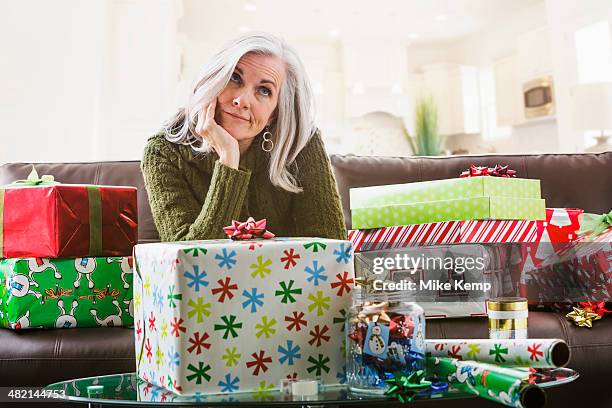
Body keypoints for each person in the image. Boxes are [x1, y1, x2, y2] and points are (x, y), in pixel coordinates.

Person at [141, 32, 347, 242]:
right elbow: (189, 259)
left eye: (264, 91)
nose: (242, 100)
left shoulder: (301, 142)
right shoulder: (163, 151)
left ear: (274, 114)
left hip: (290, 275)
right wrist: (229, 162)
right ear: (213, 80)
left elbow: (331, 249)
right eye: (235, 78)